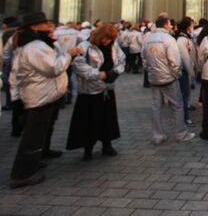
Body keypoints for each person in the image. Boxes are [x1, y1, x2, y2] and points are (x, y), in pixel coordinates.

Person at [9, 11, 82, 188]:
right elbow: (54, 68)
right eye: (44, 24)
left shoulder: (32, 45)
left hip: (40, 94)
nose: (48, 27)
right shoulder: (34, 47)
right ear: (34, 27)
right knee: (32, 136)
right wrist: (69, 54)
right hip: (39, 95)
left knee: (36, 134)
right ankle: (23, 174)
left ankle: (32, 162)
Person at [66, 24, 124, 160]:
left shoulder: (114, 46)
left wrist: (115, 72)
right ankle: (88, 149)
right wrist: (99, 74)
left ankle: (107, 144)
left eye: (110, 39)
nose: (107, 42)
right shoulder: (85, 47)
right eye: (106, 39)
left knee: (108, 120)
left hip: (107, 89)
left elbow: (121, 60)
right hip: (89, 91)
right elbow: (79, 66)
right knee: (89, 121)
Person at [141, 15, 195, 144]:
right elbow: (175, 61)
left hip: (154, 78)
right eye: (169, 24)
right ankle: (181, 133)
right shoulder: (169, 39)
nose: (171, 26)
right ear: (165, 24)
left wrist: (150, 71)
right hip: (169, 78)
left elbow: (144, 58)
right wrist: (176, 74)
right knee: (177, 106)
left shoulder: (148, 39)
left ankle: (157, 136)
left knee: (156, 107)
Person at [176, 17, 197, 127]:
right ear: (188, 27)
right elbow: (185, 57)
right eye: (192, 25)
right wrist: (191, 72)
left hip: (186, 70)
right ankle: (184, 118)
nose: (193, 27)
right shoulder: (182, 39)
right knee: (184, 95)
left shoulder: (186, 38)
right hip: (184, 71)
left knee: (185, 94)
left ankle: (185, 117)